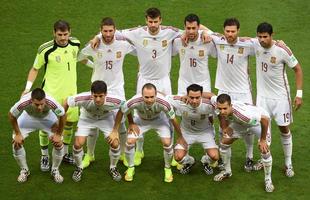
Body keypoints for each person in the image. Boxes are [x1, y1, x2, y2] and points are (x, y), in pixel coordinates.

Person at [91, 8, 211, 166]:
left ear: (160, 20)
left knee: (170, 114)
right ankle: (139, 150)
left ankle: (173, 149)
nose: (153, 25)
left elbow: (191, 30)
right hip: (144, 80)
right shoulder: (137, 32)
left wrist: (206, 32)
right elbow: (114, 33)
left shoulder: (169, 31)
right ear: (146, 20)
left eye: (156, 21)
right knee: (139, 114)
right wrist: (97, 36)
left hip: (163, 80)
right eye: (150, 21)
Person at [78, 17, 135, 168]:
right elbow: (80, 57)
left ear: (115, 30)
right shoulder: (94, 45)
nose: (108, 34)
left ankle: (122, 153)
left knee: (121, 122)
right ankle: (89, 154)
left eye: (111, 31)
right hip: (97, 89)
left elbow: (138, 43)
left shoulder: (123, 44)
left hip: (116, 89)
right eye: (104, 31)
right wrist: (94, 66)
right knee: (92, 121)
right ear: (101, 30)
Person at [21, 20, 80, 169]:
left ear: (70, 32)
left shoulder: (75, 44)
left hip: (71, 93)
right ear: (54, 33)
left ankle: (65, 152)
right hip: (51, 94)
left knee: (69, 123)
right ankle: (45, 156)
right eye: (59, 34)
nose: (63, 38)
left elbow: (79, 58)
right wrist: (28, 88)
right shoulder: (45, 49)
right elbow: (35, 69)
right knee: (46, 126)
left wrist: (95, 65)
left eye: (65, 34)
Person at [252, 22, 303, 177]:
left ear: (272, 35)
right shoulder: (255, 45)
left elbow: (298, 69)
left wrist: (299, 94)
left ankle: (288, 163)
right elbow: (231, 37)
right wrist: (203, 31)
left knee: (284, 129)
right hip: (262, 97)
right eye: (259, 36)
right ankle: (264, 158)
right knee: (263, 130)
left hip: (281, 98)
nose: (262, 40)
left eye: (265, 37)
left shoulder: (282, 49)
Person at [110, 83, 186, 183]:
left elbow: (174, 120)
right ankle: (130, 167)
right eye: (146, 97)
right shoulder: (134, 101)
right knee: (129, 141)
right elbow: (123, 110)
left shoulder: (164, 103)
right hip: (141, 121)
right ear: (142, 95)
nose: (149, 100)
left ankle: (167, 169)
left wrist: (180, 136)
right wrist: (129, 124)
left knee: (167, 143)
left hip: (159, 121)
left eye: (152, 97)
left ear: (156, 95)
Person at [210, 18, 256, 171]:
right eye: (227, 31)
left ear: (238, 31)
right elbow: (202, 28)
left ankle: (249, 157)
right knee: (222, 123)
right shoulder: (218, 40)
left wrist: (279, 42)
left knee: (248, 124)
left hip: (243, 91)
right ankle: (223, 159)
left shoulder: (247, 44)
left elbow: (265, 42)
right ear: (223, 30)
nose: (230, 34)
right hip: (223, 90)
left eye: (233, 31)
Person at [64, 81, 125, 182]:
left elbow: (124, 108)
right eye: (95, 96)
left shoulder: (114, 100)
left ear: (106, 94)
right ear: (91, 93)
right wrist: (60, 123)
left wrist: (115, 130)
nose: (97, 99)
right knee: (78, 144)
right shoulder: (83, 98)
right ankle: (79, 167)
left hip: (106, 119)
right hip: (86, 119)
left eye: (101, 96)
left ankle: (113, 167)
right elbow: (66, 101)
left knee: (115, 143)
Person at [214, 94, 274, 193]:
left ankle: (268, 179)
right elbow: (219, 111)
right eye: (220, 108)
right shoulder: (219, 108)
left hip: (258, 123)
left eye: (225, 108)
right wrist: (225, 128)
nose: (222, 111)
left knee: (264, 150)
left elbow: (264, 120)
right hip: (241, 123)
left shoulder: (244, 115)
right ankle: (227, 171)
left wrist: (263, 140)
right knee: (224, 143)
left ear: (230, 106)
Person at [9, 88, 66, 183]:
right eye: (36, 104)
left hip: (47, 118)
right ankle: (24, 170)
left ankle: (55, 169)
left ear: (45, 100)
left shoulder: (50, 101)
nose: (39, 107)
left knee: (59, 143)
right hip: (27, 118)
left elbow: (63, 115)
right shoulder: (24, 101)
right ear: (31, 100)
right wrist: (18, 134)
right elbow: (11, 115)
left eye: (42, 104)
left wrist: (59, 134)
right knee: (16, 144)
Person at [167, 84, 219, 175]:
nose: (194, 101)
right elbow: (163, 98)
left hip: (205, 132)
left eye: (197, 97)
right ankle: (190, 161)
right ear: (187, 95)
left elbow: (216, 99)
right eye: (191, 97)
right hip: (186, 133)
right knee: (178, 157)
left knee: (214, 157)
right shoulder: (180, 101)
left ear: (202, 95)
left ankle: (205, 161)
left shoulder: (209, 103)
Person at [173, 14, 216, 95]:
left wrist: (204, 32)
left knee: (204, 107)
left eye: (193, 28)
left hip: (203, 83)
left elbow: (223, 39)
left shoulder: (207, 40)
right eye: (188, 28)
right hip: (184, 83)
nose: (191, 31)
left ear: (199, 27)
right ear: (184, 27)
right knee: (181, 107)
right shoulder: (178, 41)